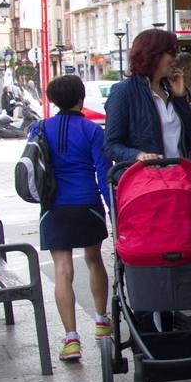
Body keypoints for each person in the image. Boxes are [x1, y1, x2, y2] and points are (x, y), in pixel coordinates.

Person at [35, 75, 113, 363]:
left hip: (53, 206)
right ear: (81, 98)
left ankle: (71, 340)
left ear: (53, 100)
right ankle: (102, 321)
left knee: (62, 269)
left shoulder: (39, 128)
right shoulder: (93, 130)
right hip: (87, 204)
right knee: (94, 260)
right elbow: (104, 172)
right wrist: (112, 209)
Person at [103, 29, 191, 164]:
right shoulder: (124, 92)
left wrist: (181, 98)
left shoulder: (173, 90)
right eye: (172, 52)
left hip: (180, 178)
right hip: (147, 179)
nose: (176, 58)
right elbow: (111, 145)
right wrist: (138, 155)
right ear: (153, 55)